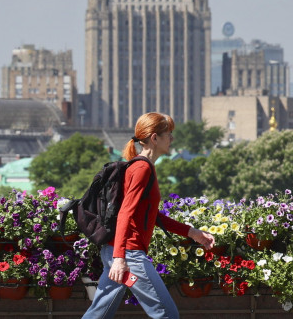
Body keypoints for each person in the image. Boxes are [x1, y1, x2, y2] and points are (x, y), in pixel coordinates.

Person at [82, 112, 215, 319]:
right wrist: (120, 259)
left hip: (116, 252)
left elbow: (153, 216)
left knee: (98, 315)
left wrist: (192, 233)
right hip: (129, 255)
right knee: (167, 315)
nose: (172, 139)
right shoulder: (142, 168)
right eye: (168, 134)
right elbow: (126, 211)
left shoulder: (141, 166)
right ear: (154, 138)